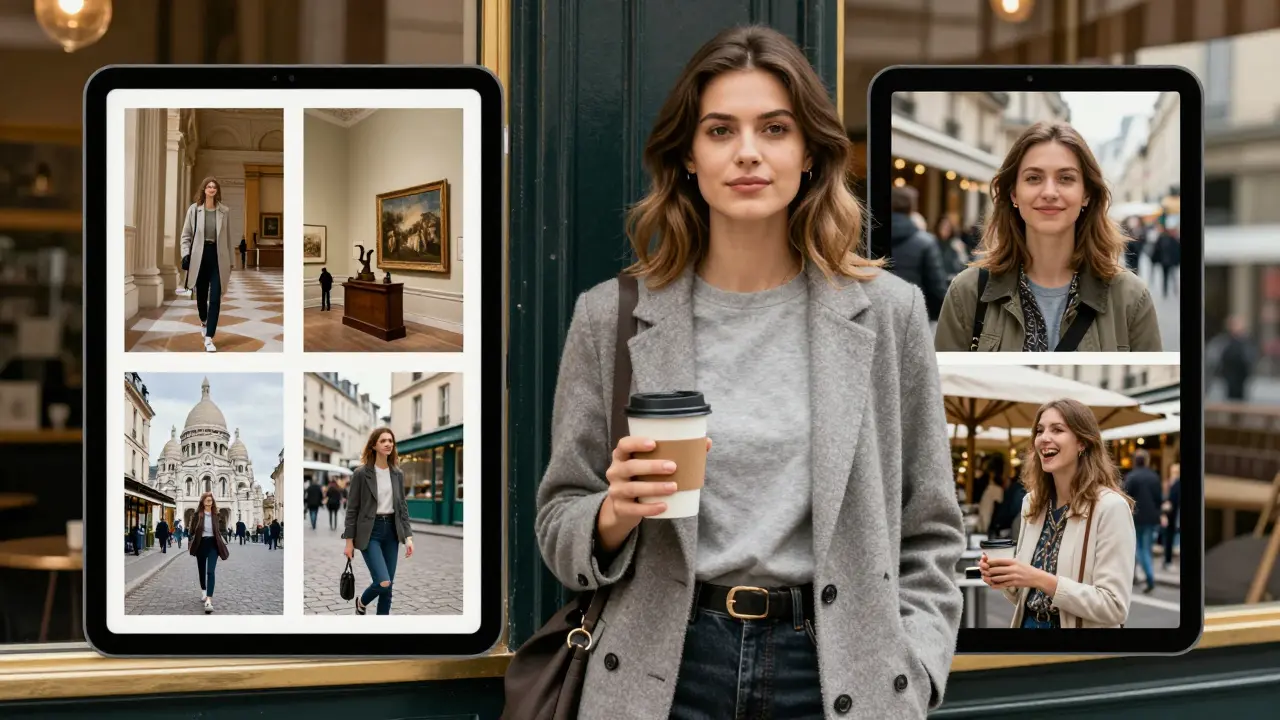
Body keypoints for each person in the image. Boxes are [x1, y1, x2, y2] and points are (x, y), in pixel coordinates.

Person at [534, 25, 964, 718]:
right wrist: (612, 514)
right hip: (662, 670)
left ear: (810, 155)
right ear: (687, 158)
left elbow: (934, 531)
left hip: (836, 672)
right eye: (720, 130)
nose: (748, 153)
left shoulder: (889, 315)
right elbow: (558, 521)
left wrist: (913, 671)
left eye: (774, 128)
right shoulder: (609, 317)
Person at [934, 122, 1162, 352]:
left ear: (1086, 194)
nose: (1049, 193)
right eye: (1034, 178)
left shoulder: (1131, 298)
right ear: (1014, 193)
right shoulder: (967, 292)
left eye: (1065, 178)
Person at [980, 398, 1136, 628]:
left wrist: (1037, 578)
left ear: (1082, 442)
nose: (1044, 438)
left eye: (1058, 429)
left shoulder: (1110, 508)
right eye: (1040, 430)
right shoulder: (1032, 502)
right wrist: (1004, 577)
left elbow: (1114, 608)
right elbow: (1020, 596)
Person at [343, 428, 414, 615]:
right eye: (383, 441)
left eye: (391, 440)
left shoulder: (397, 474)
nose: (388, 444)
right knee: (383, 581)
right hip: (370, 531)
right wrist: (349, 542)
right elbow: (352, 510)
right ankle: (362, 601)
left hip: (392, 531)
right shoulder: (361, 473)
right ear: (374, 445)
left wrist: (408, 537)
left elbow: (402, 507)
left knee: (388, 588)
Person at [179, 177, 235, 353]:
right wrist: (185, 255)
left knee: (216, 298)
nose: (211, 189)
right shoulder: (194, 210)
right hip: (200, 257)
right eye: (208, 186)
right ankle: (203, 320)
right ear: (204, 189)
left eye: (214, 187)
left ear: (217, 190)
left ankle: (209, 337)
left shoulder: (224, 211)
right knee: (201, 297)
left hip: (218, 258)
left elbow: (228, 238)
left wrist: (231, 262)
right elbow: (186, 235)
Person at [888, 185, 950, 325]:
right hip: (914, 315)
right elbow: (936, 287)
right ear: (912, 208)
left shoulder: (869, 237)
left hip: (881, 312)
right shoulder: (925, 242)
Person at [1123, 449, 1163, 594]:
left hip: (1136, 518)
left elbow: (1125, 497)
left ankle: (1148, 578)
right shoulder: (1154, 477)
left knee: (1138, 548)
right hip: (1151, 518)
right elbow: (1159, 499)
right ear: (1147, 461)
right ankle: (1142, 576)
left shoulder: (1132, 477)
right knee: (1146, 548)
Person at [188, 493, 230, 614]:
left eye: (210, 501)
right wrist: (191, 540)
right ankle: (204, 591)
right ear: (202, 502)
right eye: (206, 501)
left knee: (210, 571)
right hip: (201, 544)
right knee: (201, 570)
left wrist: (224, 538)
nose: (209, 503)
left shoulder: (217, 515)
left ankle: (209, 600)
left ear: (213, 502)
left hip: (213, 545)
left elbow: (222, 529)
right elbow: (191, 530)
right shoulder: (197, 515)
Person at [1162, 463, 1181, 571]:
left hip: (1172, 514)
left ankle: (1167, 560)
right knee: (1167, 538)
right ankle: (1167, 560)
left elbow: (1174, 499)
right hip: (1167, 514)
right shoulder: (1169, 482)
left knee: (1169, 538)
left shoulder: (1177, 484)